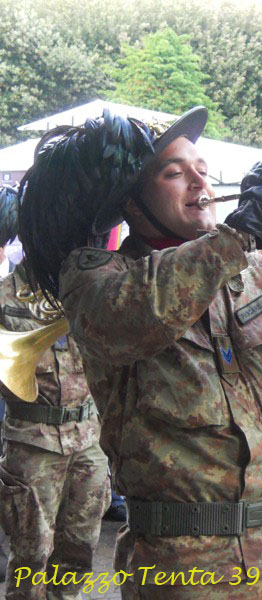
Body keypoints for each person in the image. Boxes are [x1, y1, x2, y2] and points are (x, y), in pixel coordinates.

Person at [17, 107, 262, 598]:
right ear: (133, 203)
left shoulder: (255, 270)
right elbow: (134, 316)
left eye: (202, 169)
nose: (199, 181)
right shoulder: (96, 277)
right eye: (175, 173)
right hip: (182, 563)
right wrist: (239, 232)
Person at [0, 185, 111, 599]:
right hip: (32, 445)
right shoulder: (4, 294)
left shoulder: (85, 288)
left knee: (79, 552)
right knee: (30, 558)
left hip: (88, 440)